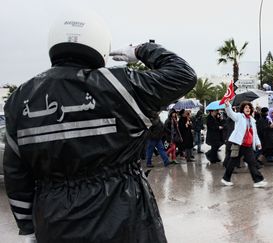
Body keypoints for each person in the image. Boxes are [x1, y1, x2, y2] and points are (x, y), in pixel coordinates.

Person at [3, 9, 197, 243]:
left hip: (53, 219)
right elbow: (183, 74)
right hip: (122, 213)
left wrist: (28, 229)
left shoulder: (19, 99)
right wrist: (141, 50)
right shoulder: (120, 85)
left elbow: (16, 173)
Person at [221, 99, 267, 188]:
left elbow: (255, 133)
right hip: (238, 143)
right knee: (232, 162)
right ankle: (226, 179)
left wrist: (258, 143)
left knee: (252, 162)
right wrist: (227, 105)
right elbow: (231, 114)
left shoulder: (252, 120)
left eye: (249, 108)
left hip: (248, 145)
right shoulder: (239, 116)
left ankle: (258, 181)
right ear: (242, 109)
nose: (248, 109)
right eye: (246, 107)